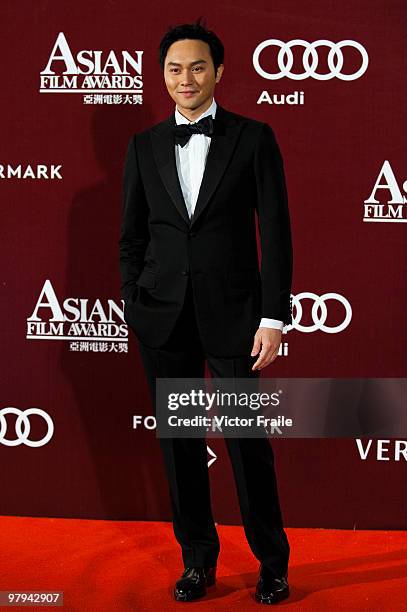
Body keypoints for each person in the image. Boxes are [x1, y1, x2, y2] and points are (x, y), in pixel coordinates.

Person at [119, 17, 293, 605]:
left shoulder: (254, 137)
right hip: (162, 318)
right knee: (181, 446)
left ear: (218, 71)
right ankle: (198, 561)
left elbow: (276, 232)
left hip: (238, 317)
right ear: (162, 76)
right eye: (173, 68)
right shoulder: (143, 146)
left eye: (197, 67)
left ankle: (272, 563)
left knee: (247, 442)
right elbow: (131, 237)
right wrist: (135, 303)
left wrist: (273, 318)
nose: (185, 78)